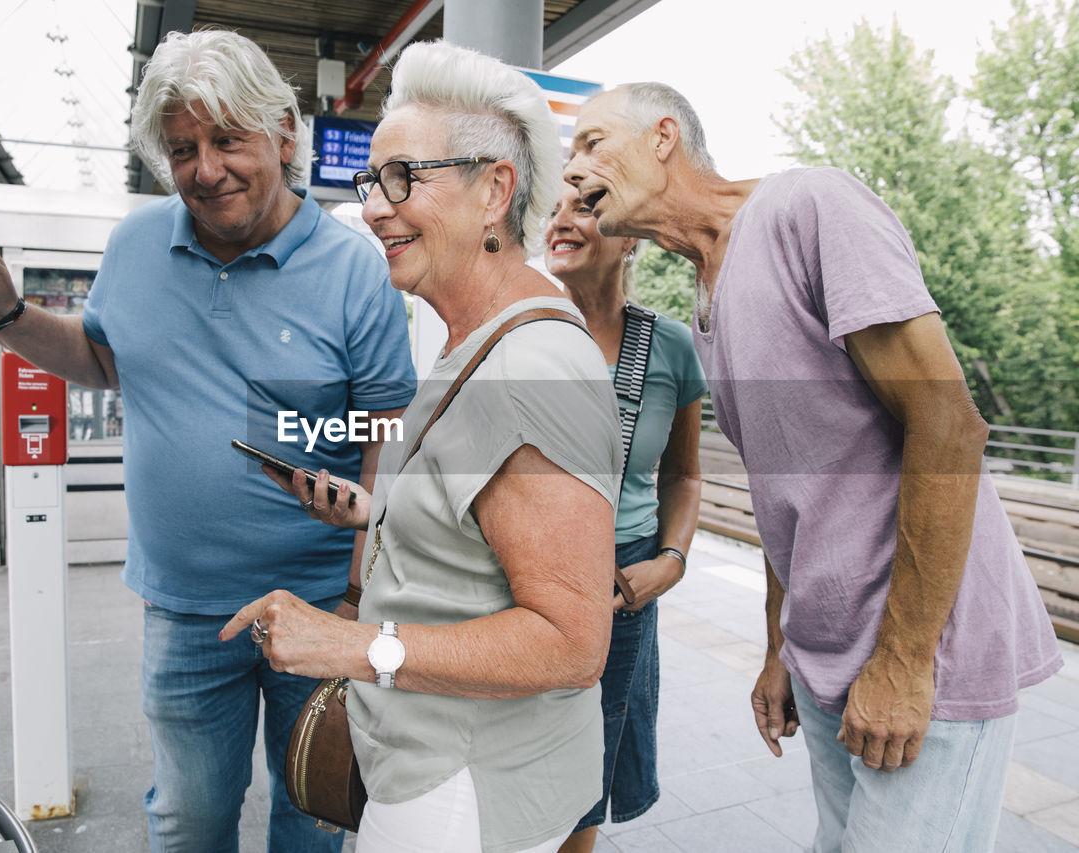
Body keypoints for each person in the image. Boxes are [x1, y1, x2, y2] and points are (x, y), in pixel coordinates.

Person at [563, 82, 1063, 852]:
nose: (573, 170)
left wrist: (903, 660)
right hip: (829, 656)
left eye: (591, 142)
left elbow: (949, 422)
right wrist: (779, 647)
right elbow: (782, 491)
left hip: (924, 656)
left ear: (663, 137)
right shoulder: (705, 296)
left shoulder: (809, 207)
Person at [0, 29, 416, 853]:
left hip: (322, 604)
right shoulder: (135, 246)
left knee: (315, 816)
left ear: (284, 136)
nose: (205, 169)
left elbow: (387, 430)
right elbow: (105, 357)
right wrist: (9, 318)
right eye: (182, 148)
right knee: (187, 821)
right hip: (183, 610)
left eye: (227, 140)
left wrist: (360, 588)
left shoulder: (355, 268)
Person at [220, 40, 624, 853]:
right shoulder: (475, 341)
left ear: (494, 190)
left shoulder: (528, 364)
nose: (374, 207)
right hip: (439, 770)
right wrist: (381, 510)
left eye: (404, 178)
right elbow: (482, 524)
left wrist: (354, 643)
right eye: (373, 182)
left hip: (464, 796)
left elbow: (572, 641)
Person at [543, 189, 707, 852]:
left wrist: (671, 559)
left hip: (624, 585)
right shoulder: (517, 328)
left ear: (630, 234)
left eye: (583, 206)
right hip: (522, 578)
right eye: (553, 208)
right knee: (512, 762)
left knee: (586, 774)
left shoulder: (667, 347)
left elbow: (684, 473)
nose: (561, 219)